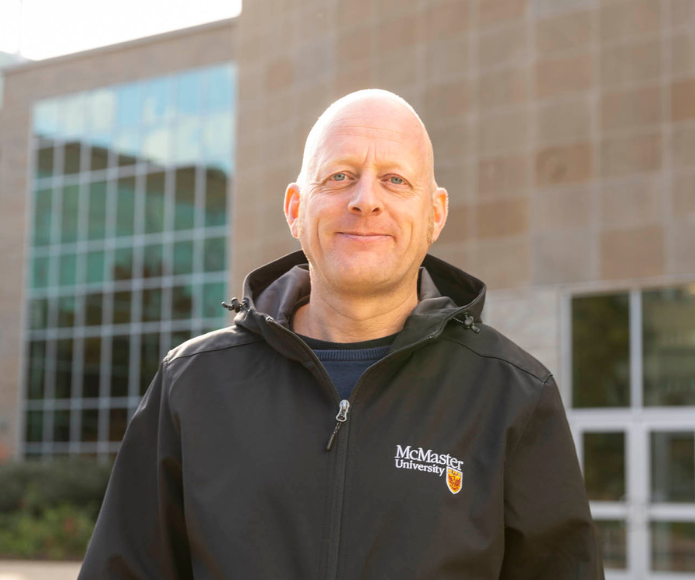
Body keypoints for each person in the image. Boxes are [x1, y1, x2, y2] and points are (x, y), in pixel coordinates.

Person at [79, 89, 603, 579]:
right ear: (295, 209)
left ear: (435, 213)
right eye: (339, 177)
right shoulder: (192, 383)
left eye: (395, 180)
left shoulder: (513, 395)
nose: (365, 200)